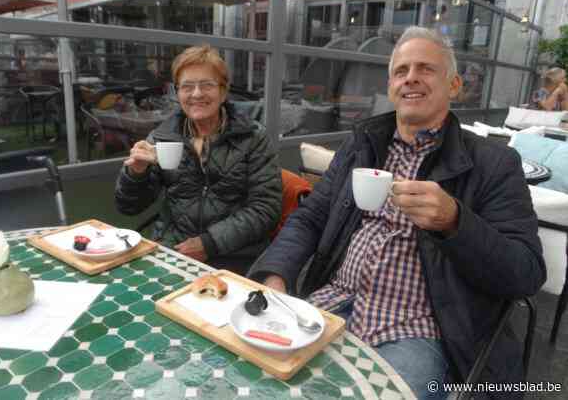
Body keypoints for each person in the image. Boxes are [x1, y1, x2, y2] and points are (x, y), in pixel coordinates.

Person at [247, 27, 545, 399]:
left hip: (418, 330)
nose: (411, 78)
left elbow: (526, 274)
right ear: (390, 87)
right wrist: (275, 275)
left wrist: (455, 222)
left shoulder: (493, 164)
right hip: (332, 305)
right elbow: (311, 217)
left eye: (425, 68)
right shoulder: (362, 144)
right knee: (257, 379)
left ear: (454, 86)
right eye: (401, 71)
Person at [115, 45, 282, 275]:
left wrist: (209, 244)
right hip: (174, 250)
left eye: (207, 85)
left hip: (235, 257)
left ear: (223, 92)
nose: (196, 94)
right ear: (177, 92)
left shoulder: (253, 138)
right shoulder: (163, 137)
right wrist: (136, 174)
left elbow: (266, 208)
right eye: (187, 86)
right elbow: (129, 207)